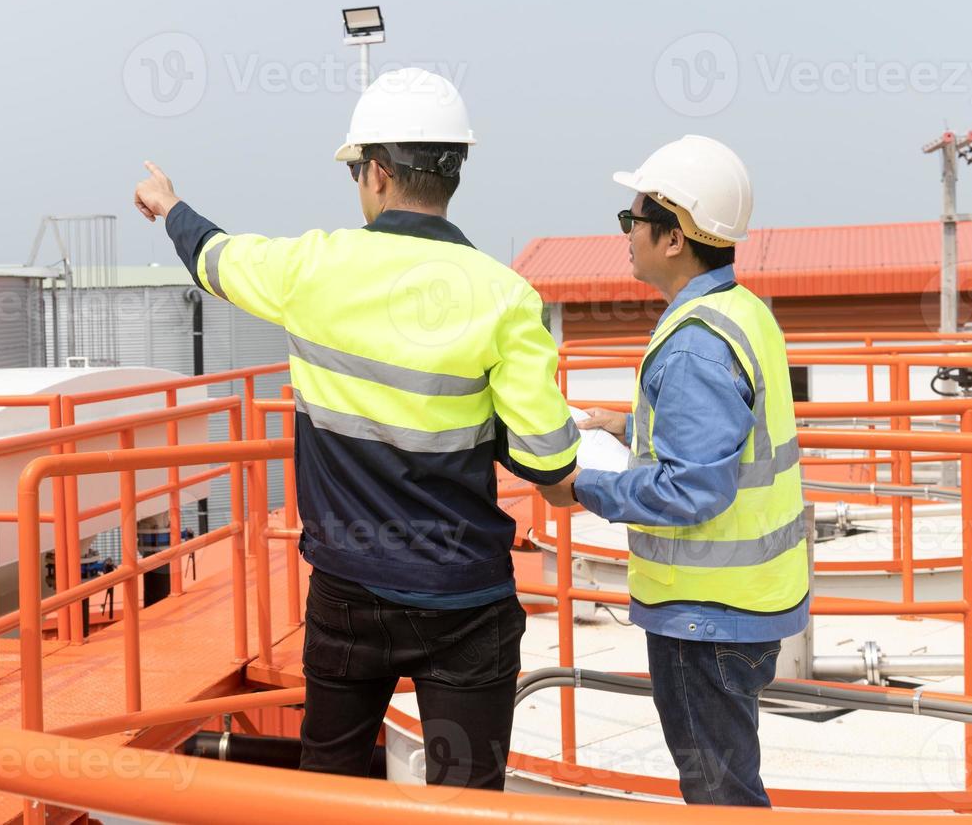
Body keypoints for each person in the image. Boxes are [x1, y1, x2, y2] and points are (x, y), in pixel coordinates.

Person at [133, 67, 579, 790]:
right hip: (464, 598)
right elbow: (547, 458)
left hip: (348, 591)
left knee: (328, 790)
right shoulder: (505, 296)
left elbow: (214, 258)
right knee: (467, 803)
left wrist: (171, 205)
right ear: (453, 172)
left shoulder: (312, 268)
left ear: (375, 172)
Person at [571, 135, 809, 806]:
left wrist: (580, 486)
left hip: (704, 619)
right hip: (747, 604)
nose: (626, 235)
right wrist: (631, 428)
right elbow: (727, 439)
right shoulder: (742, 311)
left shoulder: (694, 344)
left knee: (720, 798)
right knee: (727, 784)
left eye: (633, 221)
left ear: (673, 237)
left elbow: (693, 489)